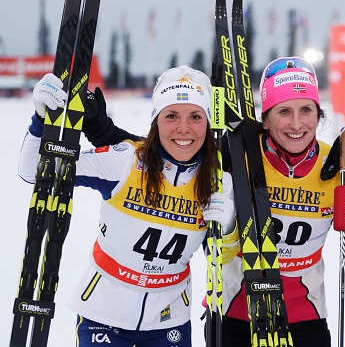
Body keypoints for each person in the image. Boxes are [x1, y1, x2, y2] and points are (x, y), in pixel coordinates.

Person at [19, 66, 240, 346]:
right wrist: (40, 120)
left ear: (207, 124)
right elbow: (33, 171)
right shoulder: (124, 161)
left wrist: (230, 225)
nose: (184, 128)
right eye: (171, 115)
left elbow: (225, 258)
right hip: (102, 314)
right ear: (155, 121)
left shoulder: (219, 182)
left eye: (195, 117)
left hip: (169, 321)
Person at [218, 57, 342, 347]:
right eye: (284, 111)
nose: (297, 124)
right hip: (239, 312)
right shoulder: (239, 157)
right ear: (265, 119)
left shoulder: (335, 164)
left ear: (318, 114)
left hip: (306, 316)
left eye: (306, 110)